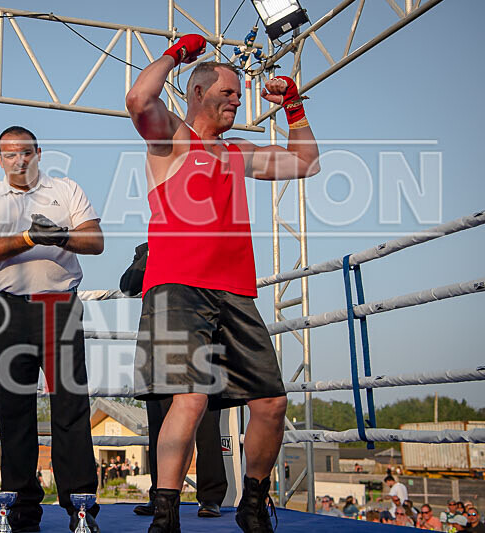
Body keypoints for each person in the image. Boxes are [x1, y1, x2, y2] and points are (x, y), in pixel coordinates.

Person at [125, 33, 319, 533]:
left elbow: (305, 162)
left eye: (238, 94)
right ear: (197, 93)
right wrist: (176, 54)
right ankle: (166, 512)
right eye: (228, 93)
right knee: (188, 398)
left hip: (235, 290)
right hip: (177, 287)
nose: (237, 101)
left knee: (272, 403)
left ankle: (252, 503)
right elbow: (138, 98)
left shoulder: (238, 152)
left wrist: (294, 108)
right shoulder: (171, 137)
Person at [0, 126, 104, 533]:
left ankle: (81, 511)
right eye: (10, 155)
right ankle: (20, 511)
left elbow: (95, 240)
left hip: (59, 305)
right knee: (13, 410)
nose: (19, 160)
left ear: (39, 152)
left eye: (26, 152)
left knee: (70, 408)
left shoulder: (66, 189)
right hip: (9, 309)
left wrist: (60, 234)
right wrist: (29, 237)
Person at [121, 244, 229, 520]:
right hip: (159, 343)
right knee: (159, 426)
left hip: (202, 338)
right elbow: (128, 285)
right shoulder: (147, 249)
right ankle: (161, 496)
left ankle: (211, 497)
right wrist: (149, 257)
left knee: (206, 427)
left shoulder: (202, 243)